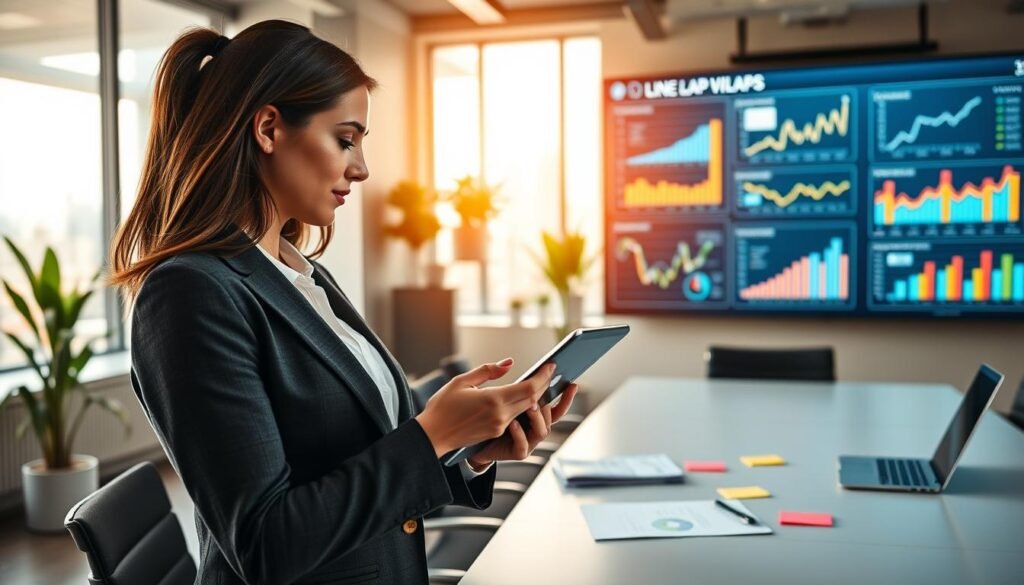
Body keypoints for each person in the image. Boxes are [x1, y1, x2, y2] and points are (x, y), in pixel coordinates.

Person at [109, 20, 577, 585]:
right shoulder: (190, 293)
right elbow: (265, 544)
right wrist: (431, 436)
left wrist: (468, 449)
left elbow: (356, 468)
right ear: (268, 129)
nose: (361, 167)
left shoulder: (301, 273)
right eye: (346, 139)